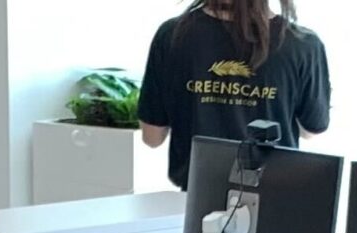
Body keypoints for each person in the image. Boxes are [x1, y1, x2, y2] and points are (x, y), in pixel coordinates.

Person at [137, 0, 331, 190]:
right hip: (273, 198)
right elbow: (311, 130)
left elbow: (152, 137)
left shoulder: (172, 35)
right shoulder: (303, 45)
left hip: (196, 198)